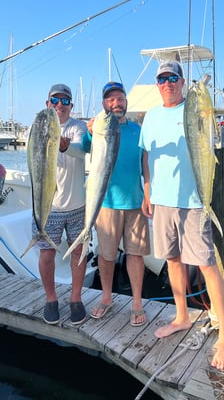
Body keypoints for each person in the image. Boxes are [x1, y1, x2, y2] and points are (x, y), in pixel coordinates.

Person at [139, 61, 224, 370]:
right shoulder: (151, 117)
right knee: (172, 260)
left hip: (194, 201)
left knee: (207, 265)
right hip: (163, 202)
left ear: (181, 82)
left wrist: (203, 96)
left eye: (173, 78)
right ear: (158, 84)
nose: (167, 83)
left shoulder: (194, 109)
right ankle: (181, 316)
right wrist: (147, 190)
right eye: (162, 78)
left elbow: (209, 130)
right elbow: (146, 154)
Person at [82, 82, 150, 326]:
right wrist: (90, 131)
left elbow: (145, 165)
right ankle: (107, 297)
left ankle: (137, 302)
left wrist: (147, 194)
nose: (116, 103)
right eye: (110, 100)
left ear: (126, 102)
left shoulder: (138, 130)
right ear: (103, 105)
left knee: (136, 254)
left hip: (134, 202)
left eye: (120, 98)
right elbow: (84, 148)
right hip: (107, 203)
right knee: (106, 255)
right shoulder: (96, 129)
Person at [33, 83, 87, 325]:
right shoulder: (36, 129)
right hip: (49, 206)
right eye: (55, 100)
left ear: (71, 106)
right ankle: (51, 299)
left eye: (65, 101)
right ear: (47, 104)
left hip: (77, 206)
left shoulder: (78, 127)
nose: (59, 105)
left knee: (78, 251)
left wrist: (65, 146)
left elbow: (80, 150)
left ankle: (76, 298)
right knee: (47, 254)